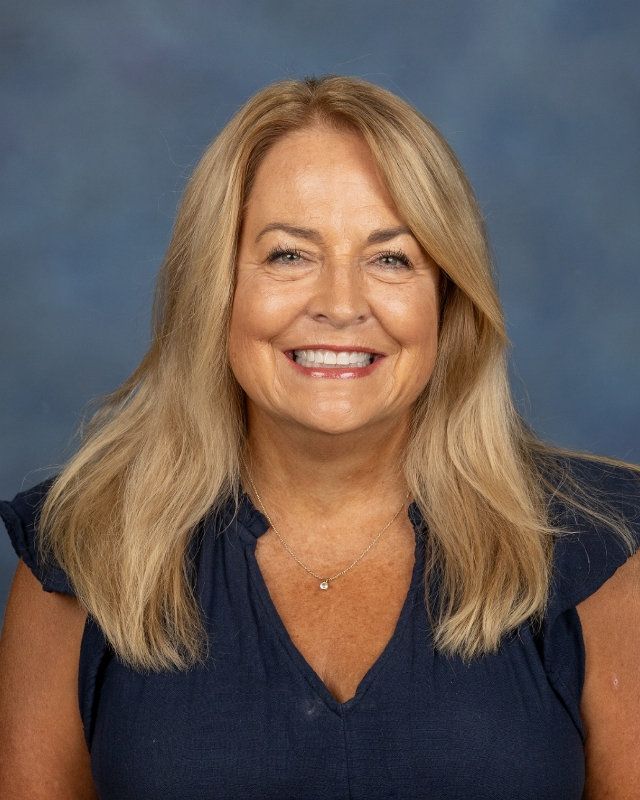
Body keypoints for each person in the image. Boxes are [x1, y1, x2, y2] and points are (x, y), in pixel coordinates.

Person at [0, 74, 639, 800]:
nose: (340, 305)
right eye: (288, 255)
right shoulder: (81, 546)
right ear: (217, 288)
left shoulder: (600, 548)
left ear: (448, 300)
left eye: (391, 258)